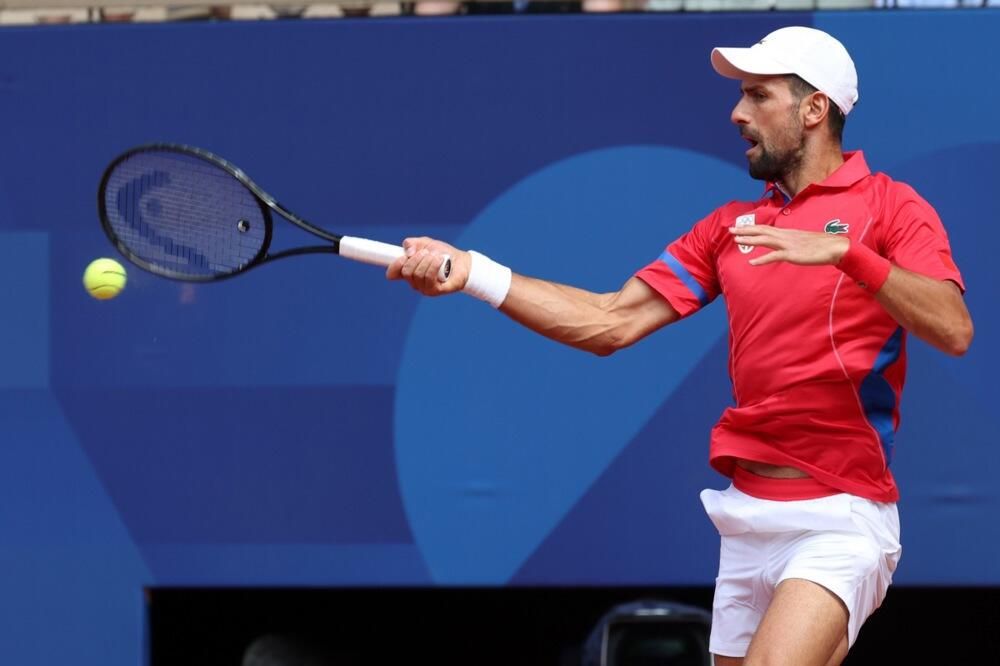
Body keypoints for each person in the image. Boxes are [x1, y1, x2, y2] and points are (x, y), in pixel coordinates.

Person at [387, 26, 973, 666]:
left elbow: (953, 327)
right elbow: (609, 322)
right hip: (748, 516)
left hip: (840, 517)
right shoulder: (729, 227)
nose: (737, 113)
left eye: (757, 96)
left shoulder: (891, 208)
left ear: (813, 109)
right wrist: (471, 271)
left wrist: (847, 253)